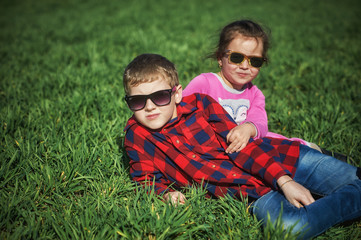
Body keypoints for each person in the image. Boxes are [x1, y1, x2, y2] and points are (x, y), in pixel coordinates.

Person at [122, 53, 361, 239]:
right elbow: (145, 178)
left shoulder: (201, 105)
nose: (150, 107)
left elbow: (243, 146)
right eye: (138, 101)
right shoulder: (137, 135)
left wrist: (284, 180)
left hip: (283, 158)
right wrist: (166, 194)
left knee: (352, 176)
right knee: (289, 229)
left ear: (176, 94)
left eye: (160, 96)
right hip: (250, 192)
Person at [182, 19, 347, 160]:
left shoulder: (255, 93)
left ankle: (316, 152)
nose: (245, 66)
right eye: (237, 58)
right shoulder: (204, 83)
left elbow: (260, 123)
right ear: (220, 58)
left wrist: (248, 128)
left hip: (249, 144)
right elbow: (180, 112)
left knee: (278, 143)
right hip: (214, 147)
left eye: (255, 61)